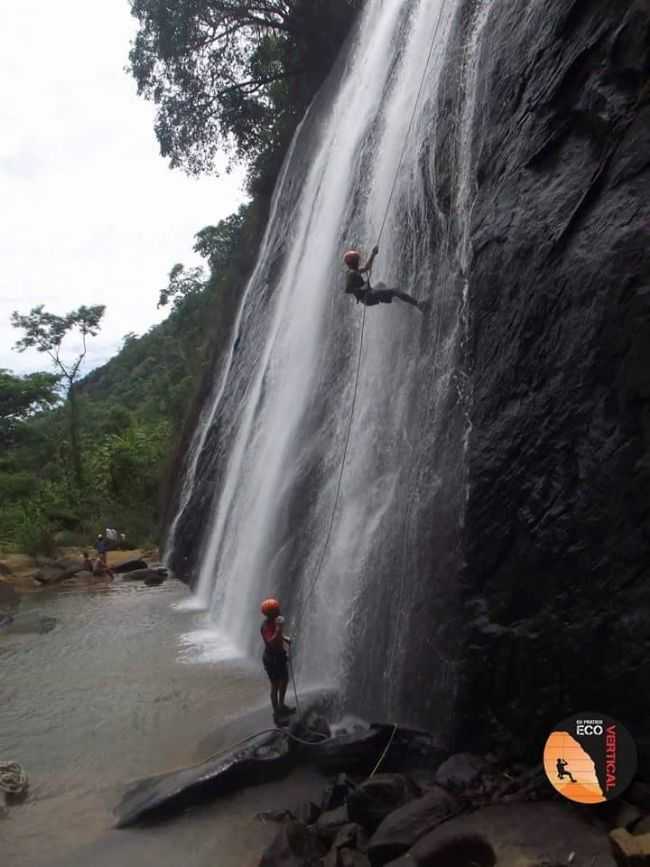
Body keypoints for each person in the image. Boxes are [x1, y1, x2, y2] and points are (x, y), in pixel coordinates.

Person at [343, 247, 422, 309]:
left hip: (368, 295)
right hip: (368, 297)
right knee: (395, 290)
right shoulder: (352, 273)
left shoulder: (354, 270)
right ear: (354, 261)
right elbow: (347, 289)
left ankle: (401, 302)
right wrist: (362, 288)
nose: (359, 261)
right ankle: (418, 305)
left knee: (381, 284)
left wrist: (373, 254)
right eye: (357, 260)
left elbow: (367, 267)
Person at [260, 598, 295, 723]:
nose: (279, 610)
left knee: (284, 680)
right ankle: (276, 713)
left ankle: (281, 705)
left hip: (279, 657)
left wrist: (285, 638)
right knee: (275, 685)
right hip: (272, 659)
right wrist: (279, 629)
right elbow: (271, 641)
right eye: (276, 609)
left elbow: (278, 636)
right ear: (270, 613)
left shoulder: (273, 622)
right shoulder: (265, 626)